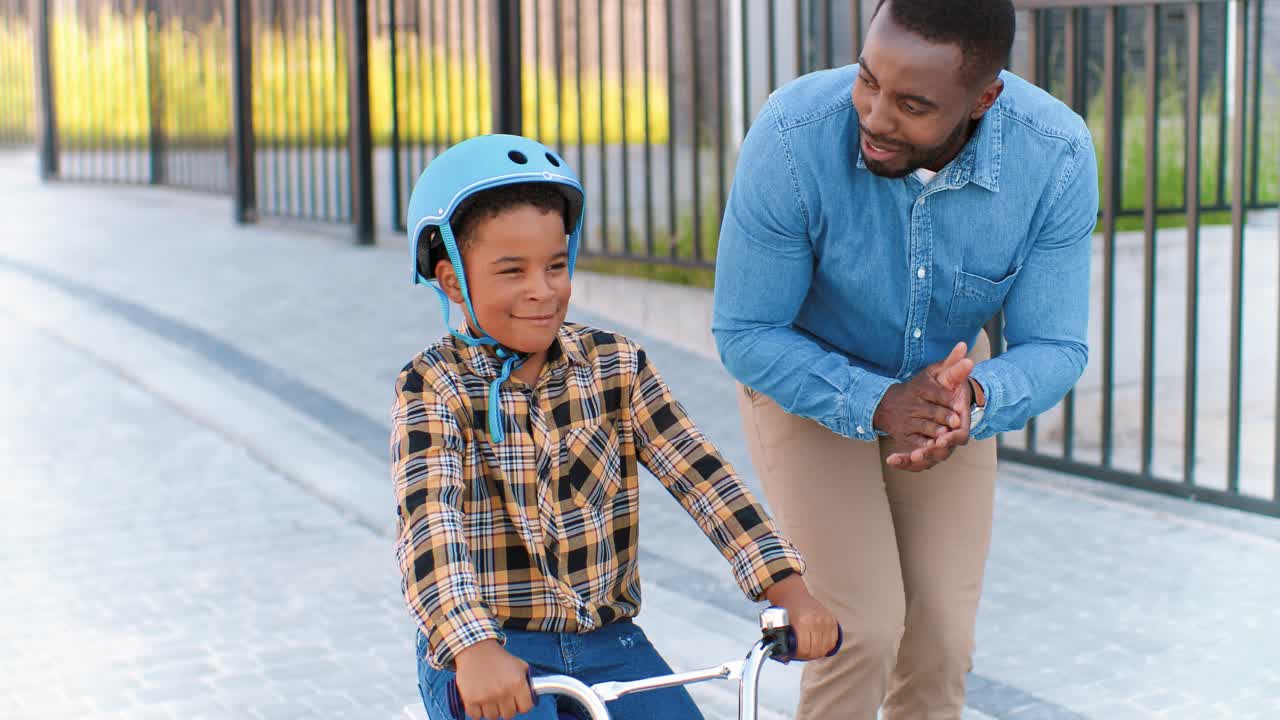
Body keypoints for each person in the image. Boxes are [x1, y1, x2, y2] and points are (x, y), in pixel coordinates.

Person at [711, 0, 1099, 717]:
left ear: (984, 99)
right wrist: (878, 401)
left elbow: (1057, 344)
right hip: (805, 370)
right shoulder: (794, 134)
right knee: (859, 632)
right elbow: (745, 330)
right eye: (868, 80)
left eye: (914, 104)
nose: (877, 115)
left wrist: (973, 399)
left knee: (940, 644)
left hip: (947, 387)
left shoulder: (1056, 156)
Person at [391, 134, 839, 720]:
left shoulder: (615, 365)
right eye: (512, 271)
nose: (542, 290)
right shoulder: (433, 385)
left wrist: (787, 588)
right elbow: (431, 524)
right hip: (494, 648)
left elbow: (703, 476)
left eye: (555, 265)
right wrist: (471, 645)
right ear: (452, 280)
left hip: (609, 641)